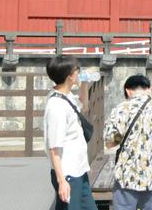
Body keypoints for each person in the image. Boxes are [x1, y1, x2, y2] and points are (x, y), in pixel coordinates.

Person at [103, 74, 152, 210]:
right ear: (148, 89)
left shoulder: (120, 110)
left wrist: (124, 136)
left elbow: (110, 143)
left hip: (126, 178)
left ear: (127, 91)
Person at [43, 56, 97, 210]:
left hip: (79, 170)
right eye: (77, 71)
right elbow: (54, 147)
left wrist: (84, 83)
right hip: (68, 173)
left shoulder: (65, 96)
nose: (79, 72)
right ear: (69, 76)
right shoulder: (57, 107)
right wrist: (61, 181)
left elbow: (83, 106)